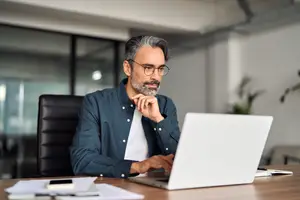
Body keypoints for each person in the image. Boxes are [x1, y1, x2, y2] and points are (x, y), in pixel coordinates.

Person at [70, 35, 180, 178]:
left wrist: (158, 119)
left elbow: (181, 160)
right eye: (148, 68)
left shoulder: (165, 105)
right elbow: (82, 161)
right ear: (128, 68)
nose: (156, 77)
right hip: (111, 188)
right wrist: (140, 166)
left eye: (160, 69)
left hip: (154, 190)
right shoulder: (96, 102)